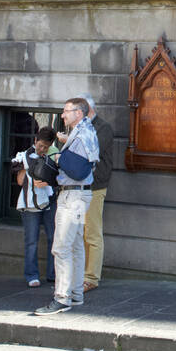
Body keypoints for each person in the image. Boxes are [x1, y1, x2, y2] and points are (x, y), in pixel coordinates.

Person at [35, 98, 98, 315]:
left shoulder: (81, 134)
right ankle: (76, 294)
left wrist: (59, 157)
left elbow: (78, 170)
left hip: (72, 196)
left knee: (61, 247)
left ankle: (62, 298)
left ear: (78, 113)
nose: (62, 115)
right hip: (80, 195)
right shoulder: (86, 131)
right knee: (76, 245)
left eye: (66, 111)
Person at [14, 127, 59, 287]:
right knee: (31, 240)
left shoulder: (53, 156)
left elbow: (58, 179)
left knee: (53, 237)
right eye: (40, 145)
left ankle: (53, 274)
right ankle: (31, 275)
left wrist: (49, 180)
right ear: (35, 140)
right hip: (29, 202)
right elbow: (19, 180)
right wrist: (31, 177)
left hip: (50, 201)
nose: (42, 149)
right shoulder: (24, 156)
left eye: (45, 147)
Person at [80, 97, 113, 293]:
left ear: (87, 110)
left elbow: (91, 151)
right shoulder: (80, 127)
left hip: (95, 186)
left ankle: (91, 277)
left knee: (92, 232)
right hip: (79, 186)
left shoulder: (103, 128)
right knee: (81, 232)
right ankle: (82, 273)